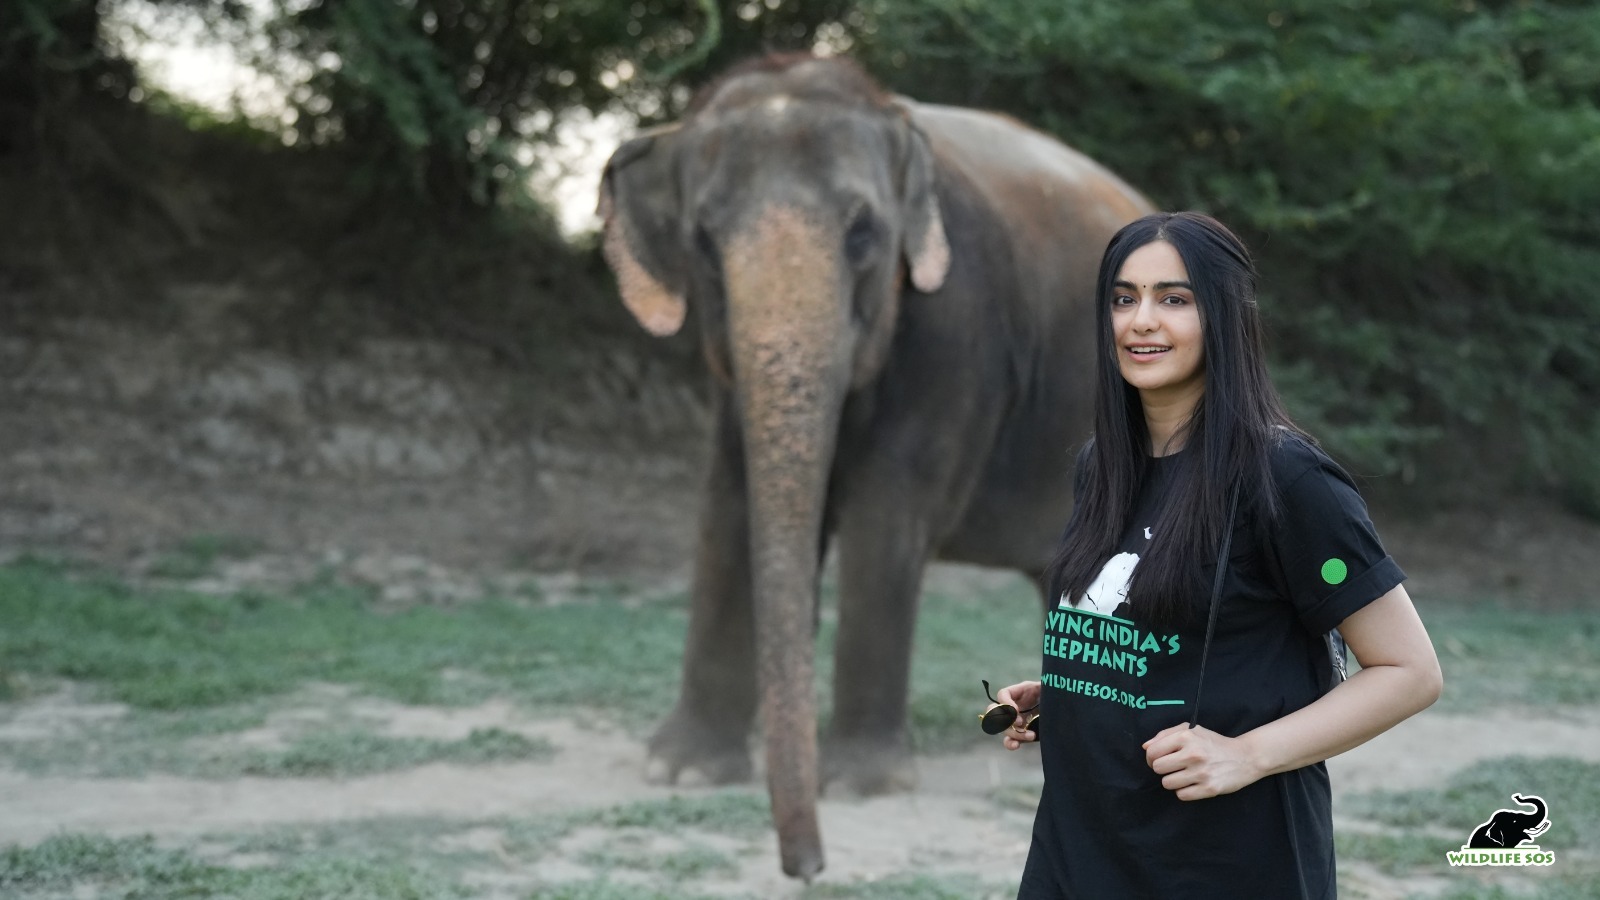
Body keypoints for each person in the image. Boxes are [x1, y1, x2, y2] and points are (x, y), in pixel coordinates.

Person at [988, 212, 1442, 899]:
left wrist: (1248, 754)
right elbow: (1165, 622)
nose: (1141, 320)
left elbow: (1409, 671)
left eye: (1174, 299)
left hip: (1223, 863)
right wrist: (1080, 687)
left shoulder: (1285, 477)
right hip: (1078, 850)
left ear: (1225, 317)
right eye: (1123, 298)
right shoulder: (1103, 466)